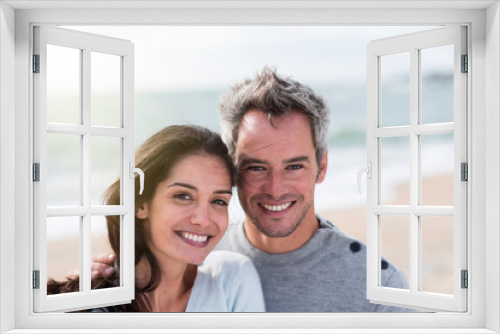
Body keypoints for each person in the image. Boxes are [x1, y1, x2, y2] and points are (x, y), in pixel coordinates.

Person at [80, 67, 414, 312]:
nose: (275, 188)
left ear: (322, 167)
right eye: (256, 167)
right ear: (234, 171)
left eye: (294, 166)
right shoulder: (194, 246)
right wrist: (101, 280)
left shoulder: (380, 288)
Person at [50, 125, 265, 312]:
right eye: (183, 196)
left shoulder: (232, 278)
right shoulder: (88, 308)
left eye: (218, 201)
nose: (203, 219)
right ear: (140, 204)